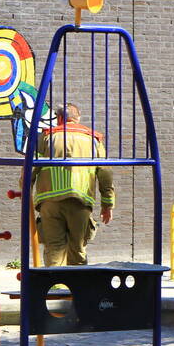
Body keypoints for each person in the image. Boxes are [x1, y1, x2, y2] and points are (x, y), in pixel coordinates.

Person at [33, 103, 115, 266]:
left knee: (54, 248)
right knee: (77, 248)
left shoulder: (46, 137)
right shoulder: (93, 139)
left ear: (60, 118)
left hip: (50, 201)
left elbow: (31, 167)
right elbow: (105, 173)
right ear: (77, 119)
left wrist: (25, 189)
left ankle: (56, 287)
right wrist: (107, 203)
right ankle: (78, 288)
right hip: (80, 200)